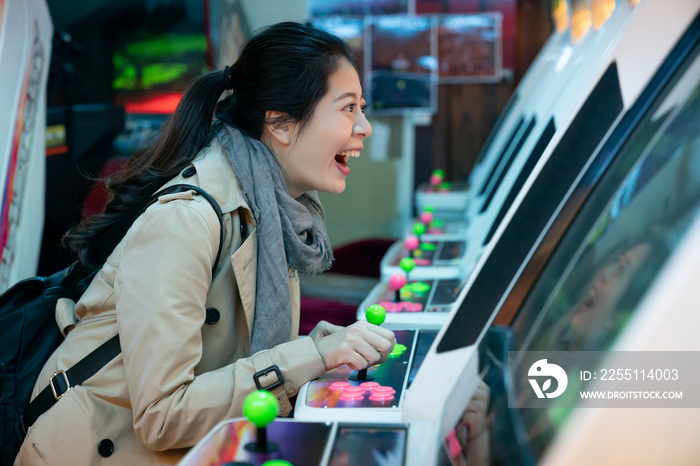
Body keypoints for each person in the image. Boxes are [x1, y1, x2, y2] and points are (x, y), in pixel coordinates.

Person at [15, 22, 396, 464]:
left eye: (361, 108)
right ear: (282, 124)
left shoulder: (271, 209)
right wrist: (307, 356)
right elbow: (162, 417)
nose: (364, 127)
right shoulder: (186, 220)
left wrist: (316, 352)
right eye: (348, 108)